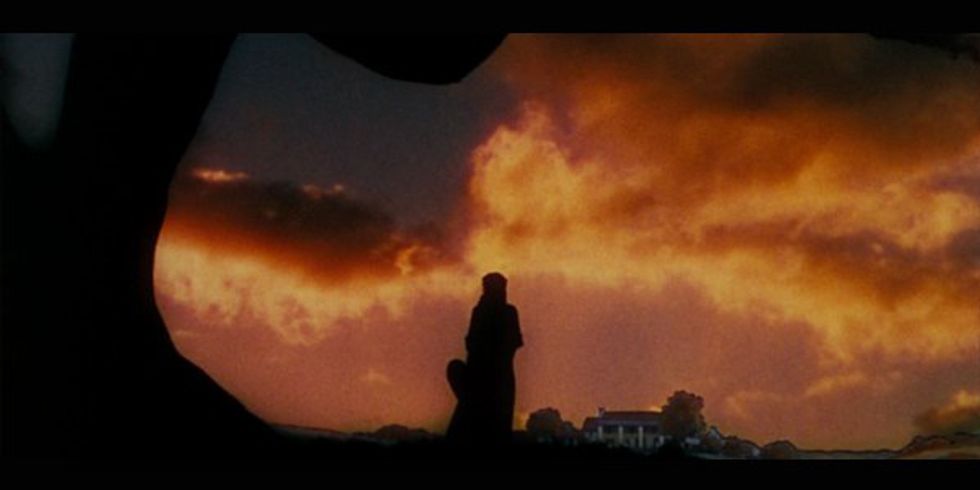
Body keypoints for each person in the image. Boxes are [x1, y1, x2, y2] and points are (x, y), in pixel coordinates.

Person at [446, 272, 523, 448]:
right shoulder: (482, 311)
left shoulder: (505, 312)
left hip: (496, 377)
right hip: (484, 376)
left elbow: (512, 343)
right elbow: (472, 343)